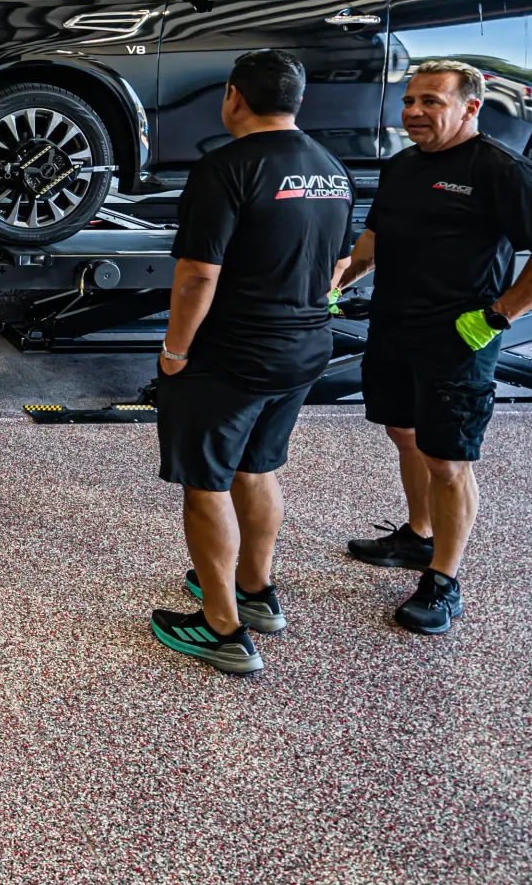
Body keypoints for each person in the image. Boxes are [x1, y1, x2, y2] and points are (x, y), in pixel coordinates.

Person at [333, 60, 532, 635]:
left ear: (471, 107)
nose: (414, 112)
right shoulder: (402, 166)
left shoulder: (502, 171)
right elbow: (374, 238)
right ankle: (419, 536)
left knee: (448, 459)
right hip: (395, 325)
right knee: (404, 433)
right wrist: (342, 275)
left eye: (431, 103)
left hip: (459, 337)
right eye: (409, 100)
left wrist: (496, 317)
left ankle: (444, 580)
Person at [148, 50, 356, 675]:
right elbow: (340, 264)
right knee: (258, 465)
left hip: (233, 352)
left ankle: (223, 629)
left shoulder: (225, 167)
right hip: (304, 347)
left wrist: (175, 351)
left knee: (206, 481)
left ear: (234, 97)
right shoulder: (330, 168)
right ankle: (256, 592)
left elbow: (196, 276)